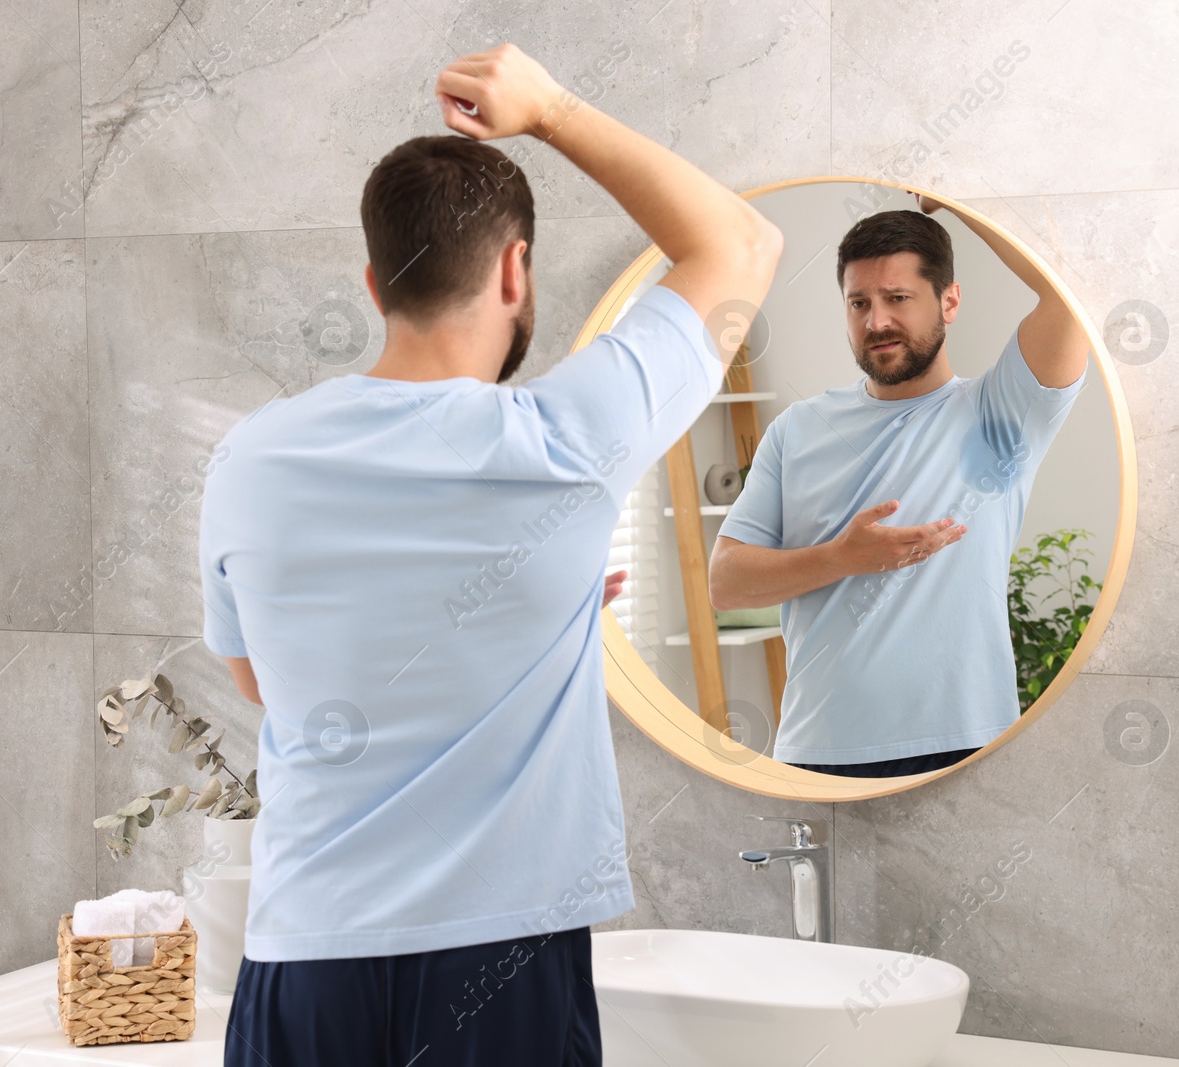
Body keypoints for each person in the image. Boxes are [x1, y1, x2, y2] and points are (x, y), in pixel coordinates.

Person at [198, 43, 783, 1067]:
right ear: (516, 269)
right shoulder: (561, 439)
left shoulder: (249, 456)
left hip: (301, 962)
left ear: (375, 281)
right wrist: (548, 106)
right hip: (498, 964)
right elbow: (738, 241)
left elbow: (266, 679)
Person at [707, 200, 1087, 778]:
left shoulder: (1004, 409)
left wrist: (964, 200)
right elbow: (726, 582)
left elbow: (1068, 296)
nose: (876, 321)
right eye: (859, 303)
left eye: (898, 299)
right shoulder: (800, 428)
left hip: (969, 742)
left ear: (949, 301)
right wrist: (842, 558)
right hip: (820, 748)